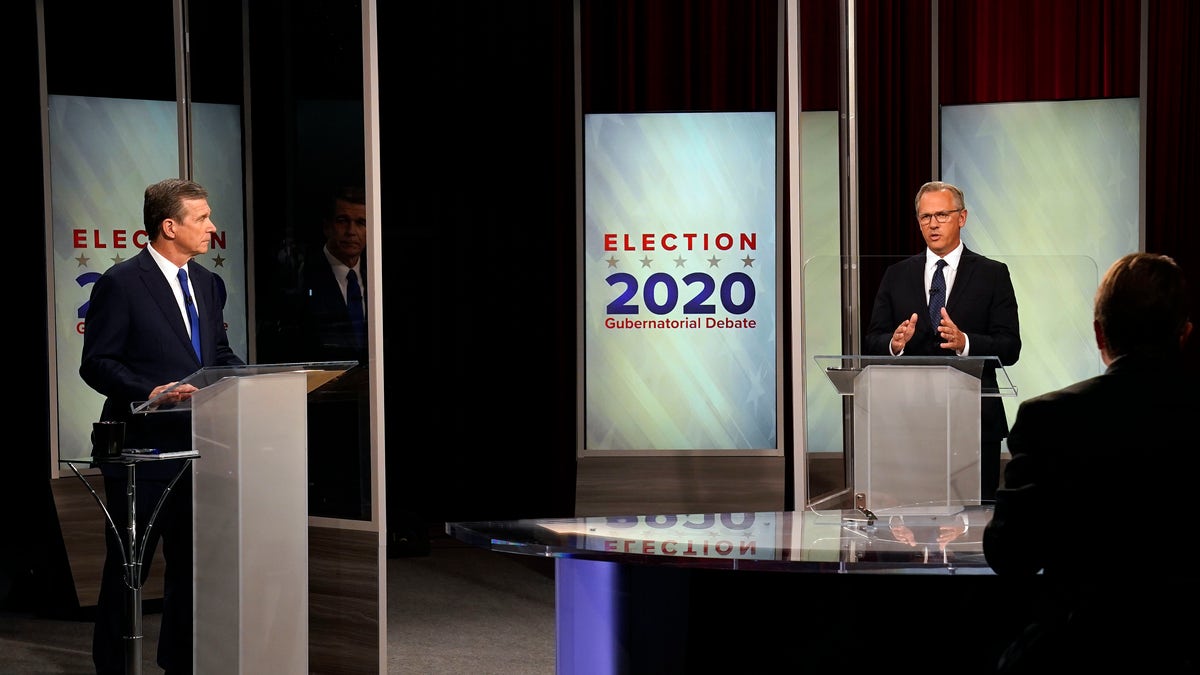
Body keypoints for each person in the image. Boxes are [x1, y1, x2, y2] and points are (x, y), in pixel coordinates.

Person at [983, 252, 1197, 673]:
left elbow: (1009, 554)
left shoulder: (1049, 418)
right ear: (1184, 334)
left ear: (1100, 335)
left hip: (1076, 658)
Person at [80, 177, 245, 674]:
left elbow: (216, 355)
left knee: (192, 569)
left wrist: (256, 383)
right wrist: (150, 393)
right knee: (129, 570)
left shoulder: (209, 284)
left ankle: (181, 664)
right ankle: (114, 667)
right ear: (169, 226)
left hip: (199, 449)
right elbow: (98, 362)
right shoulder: (121, 282)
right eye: (203, 218)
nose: (212, 227)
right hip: (142, 452)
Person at [864, 181, 1021, 501]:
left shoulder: (993, 274)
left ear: (962, 218)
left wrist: (965, 342)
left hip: (975, 424)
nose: (933, 224)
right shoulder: (896, 275)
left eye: (942, 215)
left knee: (974, 529)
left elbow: (1010, 347)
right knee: (911, 527)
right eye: (925, 217)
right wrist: (895, 343)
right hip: (910, 425)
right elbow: (872, 340)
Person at [298, 185, 368, 364]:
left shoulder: (377, 278)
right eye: (343, 220)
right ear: (327, 227)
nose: (351, 231)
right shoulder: (301, 277)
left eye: (361, 222)